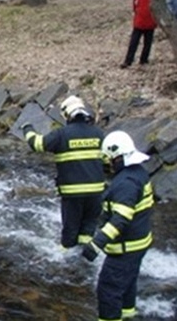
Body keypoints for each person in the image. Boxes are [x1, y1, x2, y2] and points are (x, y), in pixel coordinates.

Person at [81, 130, 154, 320]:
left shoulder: (126, 183)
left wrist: (97, 243)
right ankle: (128, 314)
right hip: (139, 242)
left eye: (109, 158)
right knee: (128, 283)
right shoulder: (138, 172)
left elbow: (121, 218)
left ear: (117, 156)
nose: (107, 163)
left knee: (108, 290)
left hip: (126, 248)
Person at [21, 95, 104, 249]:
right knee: (88, 228)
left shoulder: (62, 134)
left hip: (73, 193)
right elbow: (107, 161)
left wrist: (27, 128)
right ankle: (84, 256)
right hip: (97, 193)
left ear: (67, 114)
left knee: (70, 229)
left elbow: (38, 144)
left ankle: (67, 257)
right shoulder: (98, 134)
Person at [120, 0, 157, 69]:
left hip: (150, 24)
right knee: (133, 43)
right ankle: (128, 61)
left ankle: (143, 60)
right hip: (139, 23)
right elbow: (135, 7)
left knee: (147, 44)